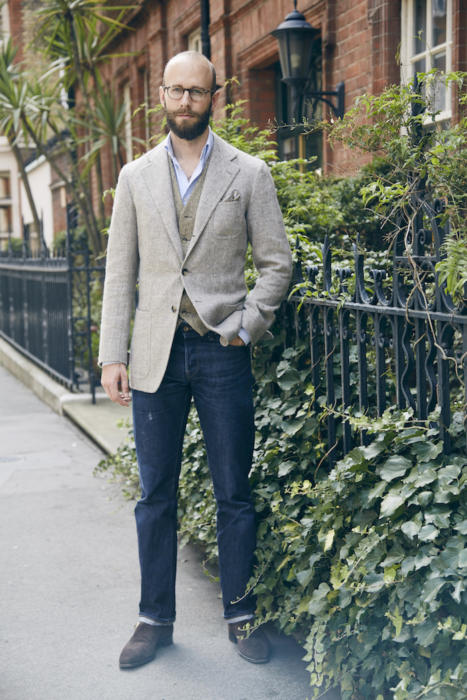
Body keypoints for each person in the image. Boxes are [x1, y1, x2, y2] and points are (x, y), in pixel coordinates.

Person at [99, 50, 292, 669]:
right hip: (155, 353)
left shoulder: (249, 173)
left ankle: (241, 614)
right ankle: (155, 618)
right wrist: (112, 354)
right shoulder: (134, 177)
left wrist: (244, 326)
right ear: (161, 94)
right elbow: (118, 273)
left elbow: (276, 263)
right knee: (155, 494)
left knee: (234, 490)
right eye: (176, 91)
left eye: (197, 93)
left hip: (219, 351)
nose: (186, 102)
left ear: (216, 95)